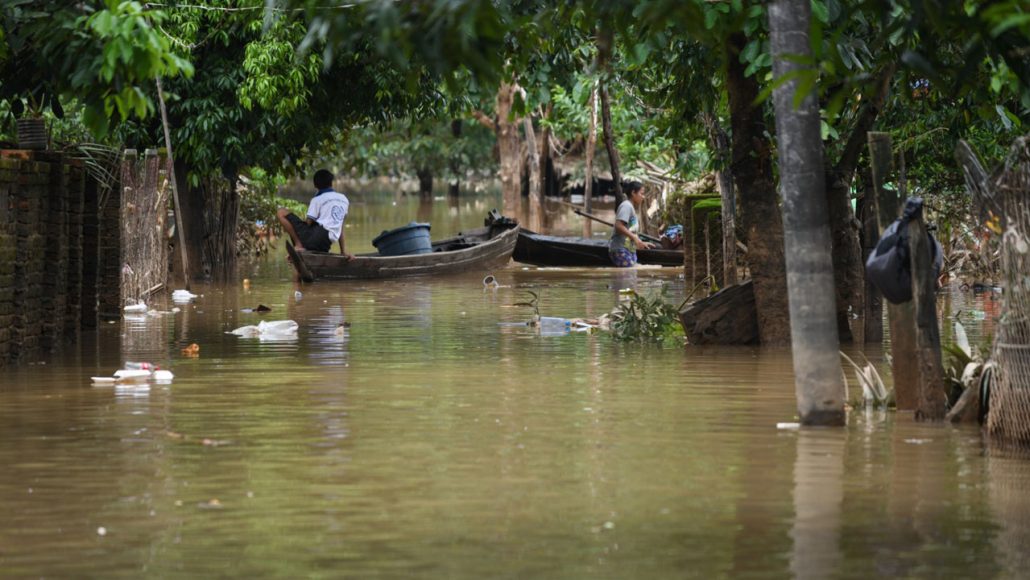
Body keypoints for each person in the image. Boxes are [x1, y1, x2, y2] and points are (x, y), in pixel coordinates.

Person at [277, 169, 353, 259]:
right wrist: (343, 251)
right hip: (326, 243)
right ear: (331, 183)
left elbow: (309, 223)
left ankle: (299, 245)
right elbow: (340, 226)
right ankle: (304, 249)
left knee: (281, 212)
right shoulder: (344, 199)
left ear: (315, 185)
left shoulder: (317, 199)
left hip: (317, 236)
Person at [608, 181, 654, 267]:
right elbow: (618, 225)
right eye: (641, 193)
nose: (643, 197)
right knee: (629, 275)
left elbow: (630, 231)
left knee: (632, 276)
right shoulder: (626, 206)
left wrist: (641, 242)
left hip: (629, 250)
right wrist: (634, 237)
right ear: (633, 193)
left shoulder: (631, 208)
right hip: (620, 249)